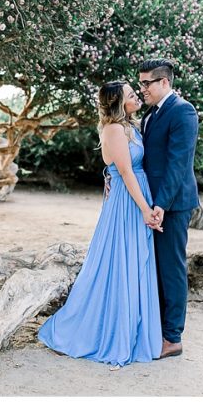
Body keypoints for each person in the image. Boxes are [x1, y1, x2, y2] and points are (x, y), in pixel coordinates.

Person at [37, 80, 164, 368]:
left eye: (135, 92)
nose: (136, 96)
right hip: (126, 202)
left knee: (135, 262)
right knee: (118, 262)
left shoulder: (132, 126)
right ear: (119, 102)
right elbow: (124, 171)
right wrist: (145, 209)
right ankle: (94, 330)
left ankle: (135, 330)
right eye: (131, 94)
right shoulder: (114, 129)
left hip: (137, 193)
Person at [138, 59, 199, 360]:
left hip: (172, 206)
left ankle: (172, 337)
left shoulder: (183, 111)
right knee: (154, 267)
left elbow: (178, 164)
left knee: (172, 268)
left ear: (164, 83)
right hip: (152, 204)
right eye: (140, 84)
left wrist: (161, 203)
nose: (142, 89)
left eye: (147, 83)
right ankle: (156, 328)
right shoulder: (150, 115)